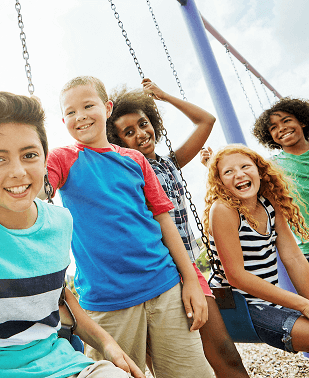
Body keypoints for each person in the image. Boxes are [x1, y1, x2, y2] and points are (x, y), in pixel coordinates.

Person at [0, 91, 145, 378]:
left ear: (45, 159)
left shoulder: (59, 223)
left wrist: (108, 345)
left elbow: (59, 296)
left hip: (59, 366)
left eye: (29, 155)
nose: (18, 172)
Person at [45, 76, 213, 378]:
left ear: (107, 108)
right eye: (70, 112)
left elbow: (164, 219)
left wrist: (191, 280)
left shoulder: (134, 159)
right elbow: (40, 187)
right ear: (63, 120)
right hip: (107, 301)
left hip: (164, 286)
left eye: (88, 106)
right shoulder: (63, 158)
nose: (80, 115)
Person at [106, 79, 249, 378]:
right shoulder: (127, 173)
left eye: (143, 124)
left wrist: (163, 96)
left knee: (225, 353)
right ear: (118, 142)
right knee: (168, 365)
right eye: (128, 133)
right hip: (158, 273)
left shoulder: (171, 163)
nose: (141, 134)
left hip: (188, 269)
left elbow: (206, 121)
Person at [203, 144, 309, 354]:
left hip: (269, 300)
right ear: (221, 182)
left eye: (245, 166)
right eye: (228, 172)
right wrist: (302, 304)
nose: (239, 174)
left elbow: (293, 257)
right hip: (242, 306)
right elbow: (236, 276)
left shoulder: (268, 204)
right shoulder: (224, 210)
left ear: (259, 170)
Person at [252, 97, 309, 258]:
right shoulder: (269, 168)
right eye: (273, 128)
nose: (282, 128)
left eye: (286, 121)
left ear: (302, 122)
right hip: (307, 248)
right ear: (270, 136)